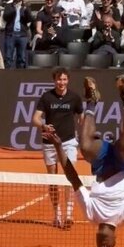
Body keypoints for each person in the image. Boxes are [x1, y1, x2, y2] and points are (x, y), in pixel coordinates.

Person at [43, 74, 124, 247]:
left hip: (101, 166)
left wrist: (58, 146)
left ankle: (92, 101)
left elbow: (73, 178)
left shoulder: (91, 215)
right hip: (123, 165)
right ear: (116, 239)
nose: (103, 246)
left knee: (85, 146)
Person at [32, 67, 84, 229]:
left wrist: (84, 120)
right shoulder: (46, 97)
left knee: (70, 177)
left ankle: (69, 214)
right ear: (54, 80)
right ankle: (57, 214)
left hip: (68, 142)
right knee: (53, 180)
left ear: (68, 80)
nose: (62, 82)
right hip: (49, 143)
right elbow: (35, 119)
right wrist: (44, 126)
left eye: (64, 79)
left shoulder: (74, 97)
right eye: (59, 79)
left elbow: (81, 116)